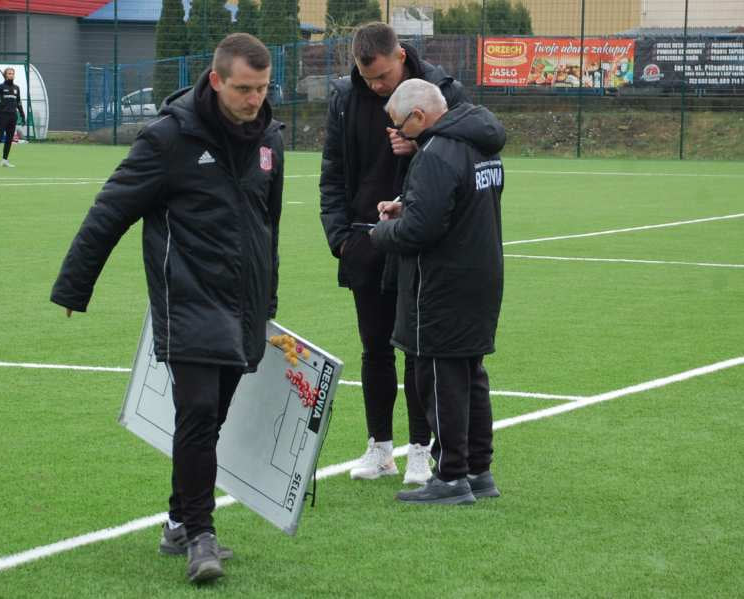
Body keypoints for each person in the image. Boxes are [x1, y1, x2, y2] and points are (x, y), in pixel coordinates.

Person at [50, 33, 283, 583]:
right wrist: (73, 288)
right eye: (245, 89)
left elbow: (266, 227)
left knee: (215, 416)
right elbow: (110, 210)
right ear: (217, 79)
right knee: (199, 414)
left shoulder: (270, 137)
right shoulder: (169, 139)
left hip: (243, 305)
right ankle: (202, 536)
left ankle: (179, 519)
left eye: (264, 87)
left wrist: (267, 299)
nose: (255, 99)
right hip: (187, 299)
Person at [319, 22, 466, 484]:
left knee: (418, 350)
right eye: (369, 80)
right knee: (374, 349)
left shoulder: (442, 90)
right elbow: (332, 172)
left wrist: (419, 143)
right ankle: (379, 447)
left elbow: (465, 154)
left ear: (400, 55)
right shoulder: (345, 97)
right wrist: (340, 237)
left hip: (420, 242)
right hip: (364, 241)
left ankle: (419, 450)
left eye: (382, 77)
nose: (377, 87)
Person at [370, 79, 506, 505]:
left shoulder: (435, 153)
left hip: (442, 284)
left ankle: (449, 476)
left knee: (439, 377)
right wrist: (408, 204)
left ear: (419, 116)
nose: (395, 133)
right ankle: (478, 471)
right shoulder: (481, 144)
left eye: (398, 124)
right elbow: (457, 203)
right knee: (470, 374)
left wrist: (382, 232)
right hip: (480, 275)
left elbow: (421, 231)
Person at [0, 68, 26, 167]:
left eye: (12, 73)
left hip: (13, 116)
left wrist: (22, 115)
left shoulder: (16, 88)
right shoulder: (0, 87)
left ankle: (4, 160)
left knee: (9, 139)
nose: (11, 75)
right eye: (9, 73)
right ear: (5, 75)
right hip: (3, 116)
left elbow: (19, 103)